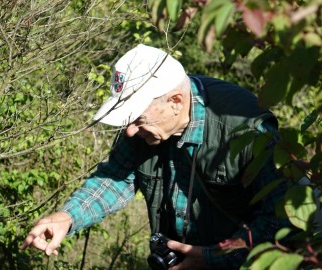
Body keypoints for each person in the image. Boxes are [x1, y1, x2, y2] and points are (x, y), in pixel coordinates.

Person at [21, 44, 293, 269]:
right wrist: (67, 218)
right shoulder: (145, 130)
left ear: (175, 102)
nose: (128, 131)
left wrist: (213, 258)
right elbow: (115, 179)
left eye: (137, 118)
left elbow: (282, 221)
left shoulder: (246, 131)